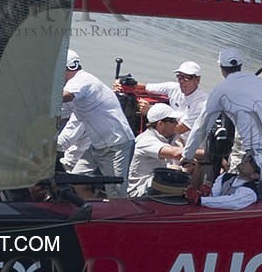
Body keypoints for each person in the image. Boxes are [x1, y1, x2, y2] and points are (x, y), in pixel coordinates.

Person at [181, 47, 262, 202]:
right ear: (241, 65)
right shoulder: (258, 82)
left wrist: (187, 155)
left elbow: (202, 126)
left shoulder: (221, 90)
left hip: (260, 157)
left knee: (257, 201)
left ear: (221, 68)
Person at [59, 49, 135, 195]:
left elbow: (65, 96)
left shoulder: (82, 80)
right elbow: (60, 112)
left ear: (69, 67)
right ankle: (91, 211)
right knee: (77, 181)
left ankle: (118, 215)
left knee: (117, 192)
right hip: (96, 146)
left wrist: (42, 96)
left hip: (117, 145)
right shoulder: (73, 87)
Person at [128, 103, 185, 195]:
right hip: (139, 191)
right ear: (160, 124)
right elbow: (176, 154)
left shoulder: (170, 137)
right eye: (173, 120)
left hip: (155, 183)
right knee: (174, 173)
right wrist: (210, 152)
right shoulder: (145, 140)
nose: (177, 123)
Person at [141, 61, 209, 136]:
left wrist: (150, 111)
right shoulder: (173, 88)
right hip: (170, 136)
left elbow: (179, 129)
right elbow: (146, 87)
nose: (182, 81)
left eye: (186, 78)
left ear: (198, 79)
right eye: (180, 77)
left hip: (186, 141)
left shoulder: (202, 103)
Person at [186, 152, 262, 210]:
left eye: (251, 162)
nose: (246, 160)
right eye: (247, 157)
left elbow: (232, 202)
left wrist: (200, 199)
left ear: (255, 175)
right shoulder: (226, 177)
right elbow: (214, 196)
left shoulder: (250, 192)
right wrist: (205, 193)